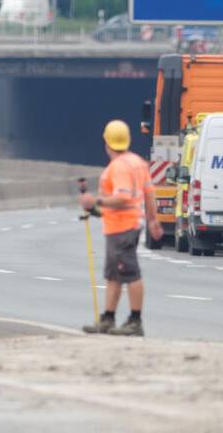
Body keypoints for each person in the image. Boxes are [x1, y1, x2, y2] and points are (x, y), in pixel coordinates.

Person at [79, 120, 163, 337]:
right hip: (124, 225)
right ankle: (108, 318)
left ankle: (135, 321)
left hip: (122, 228)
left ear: (107, 142)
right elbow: (149, 193)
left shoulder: (118, 167)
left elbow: (123, 197)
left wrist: (96, 202)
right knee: (114, 275)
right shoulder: (137, 162)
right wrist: (153, 221)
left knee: (130, 274)